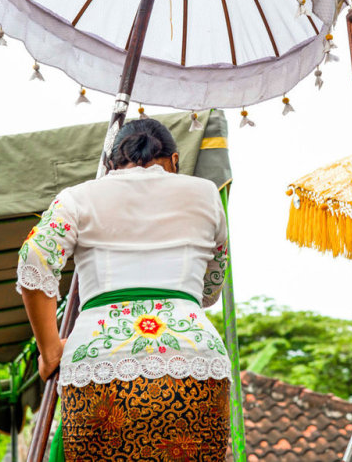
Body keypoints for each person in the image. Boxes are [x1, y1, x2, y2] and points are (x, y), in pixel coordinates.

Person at [17, 118, 231, 461]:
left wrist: (50, 351)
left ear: (113, 163)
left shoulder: (77, 197)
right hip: (195, 362)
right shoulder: (207, 193)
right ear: (175, 160)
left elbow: (34, 259)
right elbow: (210, 289)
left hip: (99, 363)